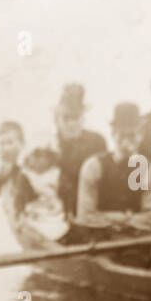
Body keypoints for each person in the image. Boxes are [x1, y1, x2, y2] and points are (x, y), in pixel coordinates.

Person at [76, 102, 151, 229]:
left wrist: (109, 218)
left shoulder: (150, 170)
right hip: (100, 240)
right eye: (121, 135)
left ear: (141, 135)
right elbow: (85, 216)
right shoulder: (93, 166)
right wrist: (126, 218)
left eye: (132, 135)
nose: (126, 142)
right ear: (112, 133)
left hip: (137, 240)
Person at [52, 83, 107, 220]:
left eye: (75, 117)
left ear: (83, 118)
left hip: (93, 207)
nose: (71, 124)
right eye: (66, 118)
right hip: (59, 209)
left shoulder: (96, 141)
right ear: (57, 119)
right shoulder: (50, 146)